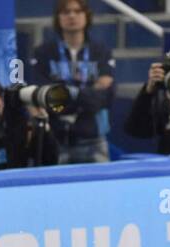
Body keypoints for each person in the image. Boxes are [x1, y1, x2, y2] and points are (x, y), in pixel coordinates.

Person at [29, 0, 117, 164]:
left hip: (93, 138)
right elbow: (44, 96)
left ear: (86, 16)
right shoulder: (43, 52)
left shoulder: (101, 51)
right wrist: (88, 92)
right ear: (58, 18)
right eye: (66, 12)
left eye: (77, 11)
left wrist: (65, 92)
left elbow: (106, 98)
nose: (72, 16)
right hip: (55, 137)